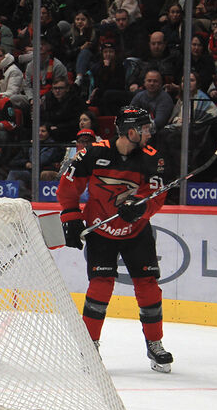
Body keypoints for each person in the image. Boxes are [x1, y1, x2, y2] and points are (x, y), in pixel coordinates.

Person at [58, 106, 174, 373]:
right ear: (130, 131)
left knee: (148, 286)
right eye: (145, 129)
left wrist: (139, 206)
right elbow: (68, 187)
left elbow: (156, 196)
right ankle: (90, 346)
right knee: (100, 287)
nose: (149, 134)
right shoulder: (93, 153)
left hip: (136, 232)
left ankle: (155, 343)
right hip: (101, 231)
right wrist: (71, 218)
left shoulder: (152, 158)